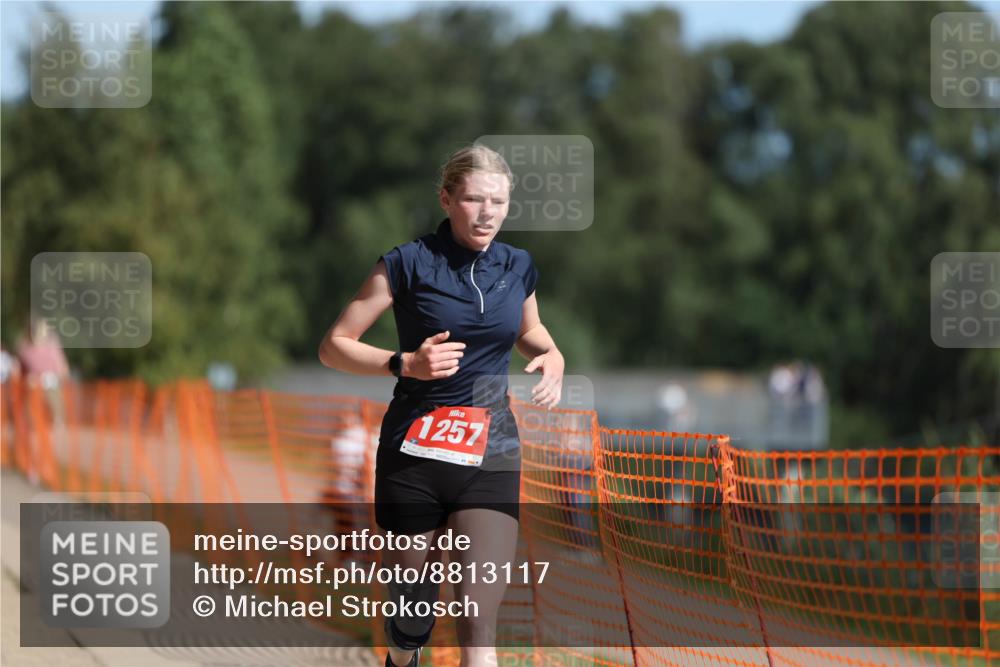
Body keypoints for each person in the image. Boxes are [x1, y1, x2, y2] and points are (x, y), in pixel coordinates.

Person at [318, 144, 564, 667]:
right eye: (474, 199)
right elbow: (335, 344)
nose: (488, 212)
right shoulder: (407, 262)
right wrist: (403, 363)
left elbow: (531, 330)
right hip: (415, 455)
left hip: (490, 453)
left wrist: (553, 354)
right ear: (447, 199)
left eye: (498, 201)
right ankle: (400, 657)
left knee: (479, 617)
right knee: (411, 619)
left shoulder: (518, 265)